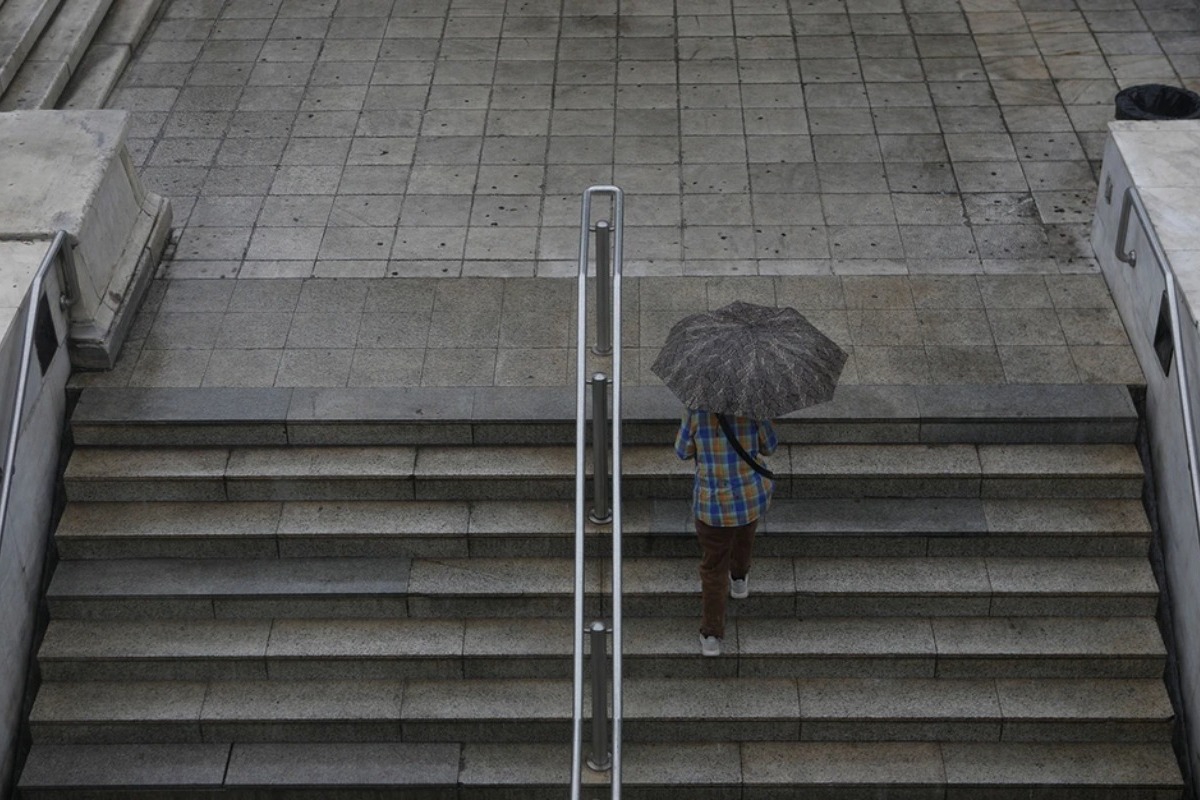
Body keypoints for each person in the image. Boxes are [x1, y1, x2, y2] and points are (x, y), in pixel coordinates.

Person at [674, 407, 778, 657]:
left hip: (712, 504)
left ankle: (711, 634)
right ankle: (740, 579)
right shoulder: (755, 408)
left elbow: (682, 451)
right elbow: (769, 447)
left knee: (713, 567)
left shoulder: (696, 412)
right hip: (748, 498)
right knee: (744, 538)